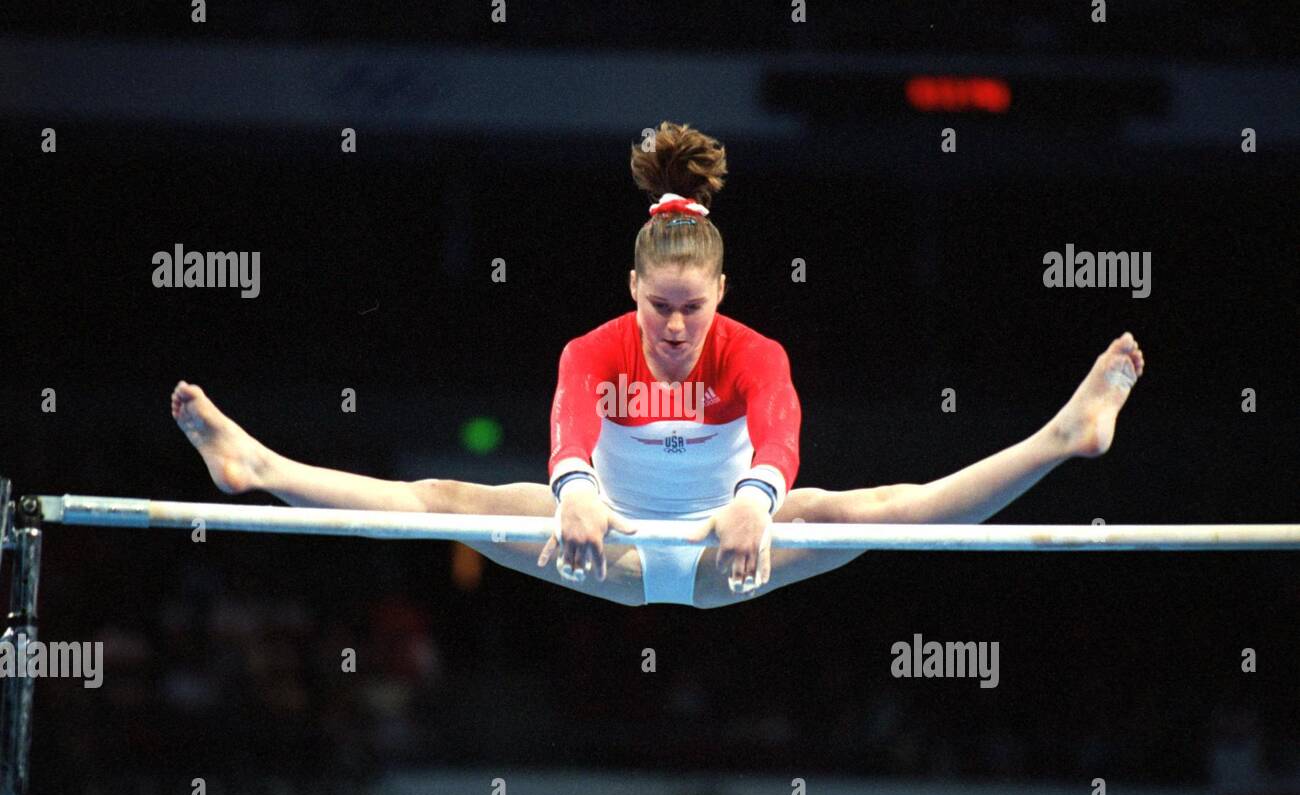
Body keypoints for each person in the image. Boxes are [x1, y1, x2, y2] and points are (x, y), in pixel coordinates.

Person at [172, 121, 1144, 609]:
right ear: (633, 293)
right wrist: (576, 493)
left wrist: (758, 501)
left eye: (692, 310)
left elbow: (779, 437)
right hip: (612, 546)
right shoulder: (591, 348)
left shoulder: (754, 352)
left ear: (719, 297)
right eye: (658, 309)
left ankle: (1062, 436)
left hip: (740, 546)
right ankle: (259, 468)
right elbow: (564, 433)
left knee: (889, 509)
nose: (674, 328)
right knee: (440, 494)